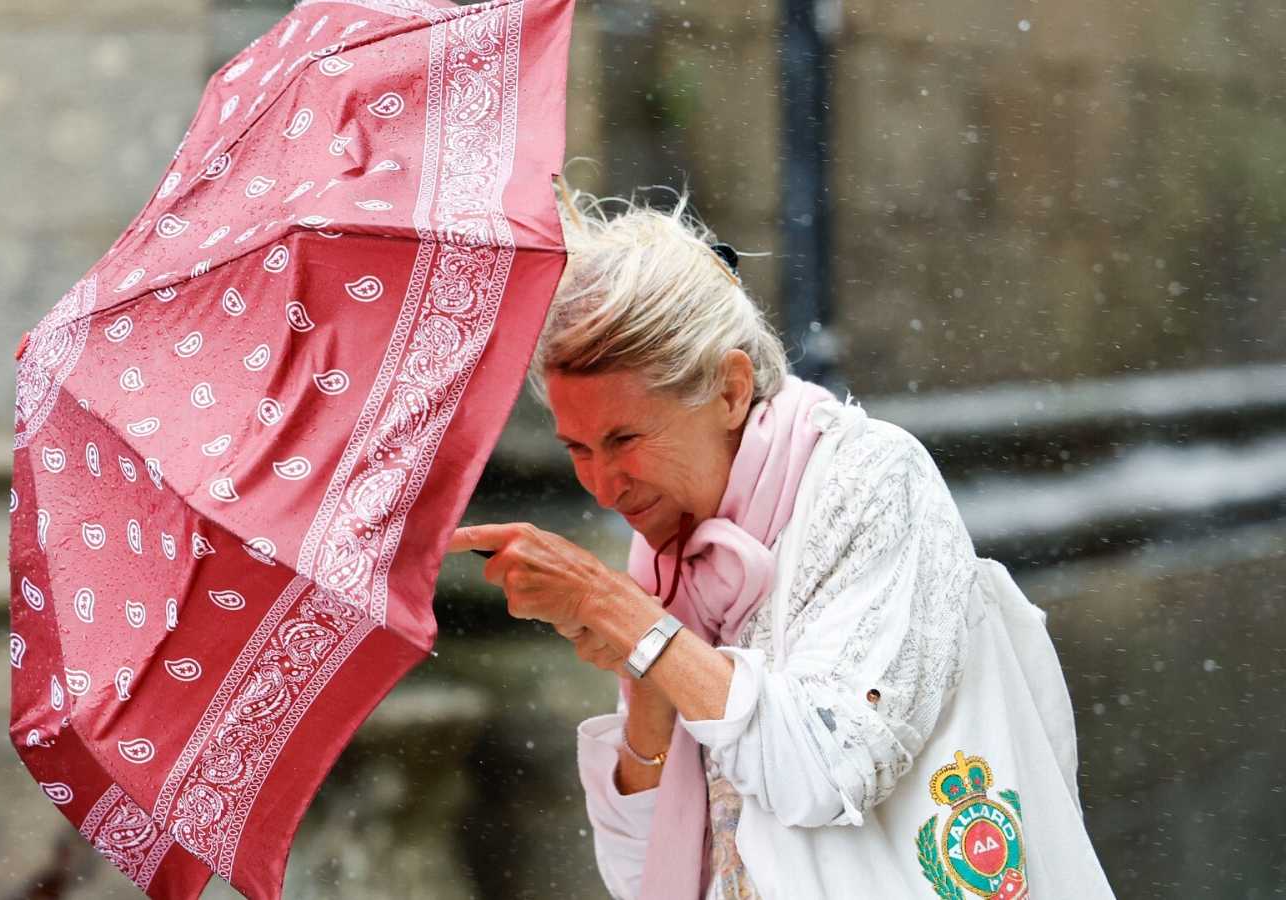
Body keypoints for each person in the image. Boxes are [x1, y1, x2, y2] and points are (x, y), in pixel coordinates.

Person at [448, 188, 1115, 899]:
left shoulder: (872, 475)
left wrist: (628, 618)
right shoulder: (668, 563)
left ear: (732, 389)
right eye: (578, 449)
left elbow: (828, 773)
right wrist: (648, 670)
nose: (603, 487)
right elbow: (640, 873)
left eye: (626, 440)